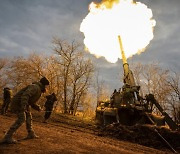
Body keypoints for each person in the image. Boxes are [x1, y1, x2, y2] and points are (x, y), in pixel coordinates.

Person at [1, 77, 49, 144]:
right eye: (46, 86)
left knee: (29, 116)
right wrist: (23, 106)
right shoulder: (35, 87)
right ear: (44, 85)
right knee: (22, 118)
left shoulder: (38, 89)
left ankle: (30, 133)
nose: (46, 88)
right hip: (18, 103)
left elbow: (31, 101)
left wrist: (37, 107)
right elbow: (25, 95)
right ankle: (7, 136)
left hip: (23, 103)